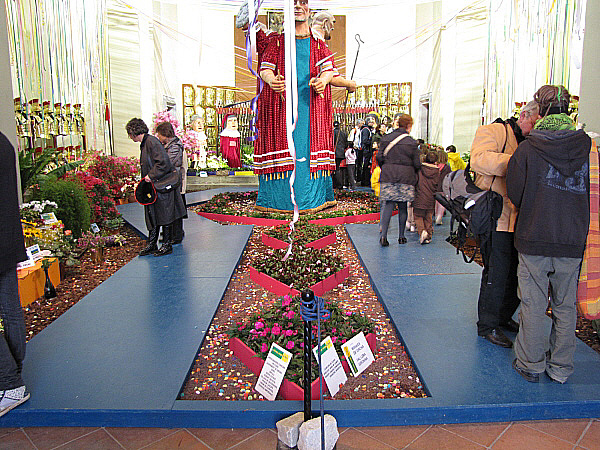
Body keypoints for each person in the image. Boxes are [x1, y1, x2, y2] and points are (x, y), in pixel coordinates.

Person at [507, 85, 591, 383]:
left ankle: (531, 364)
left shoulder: (529, 148)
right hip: (573, 236)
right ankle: (561, 368)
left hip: (534, 234)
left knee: (533, 303)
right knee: (565, 306)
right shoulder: (588, 148)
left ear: (540, 111)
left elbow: (515, 192)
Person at [470, 100, 541, 348]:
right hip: (496, 218)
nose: (536, 129)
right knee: (497, 273)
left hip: (521, 221)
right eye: (535, 123)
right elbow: (478, 160)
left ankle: (502, 317)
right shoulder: (493, 131)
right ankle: (487, 325)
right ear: (524, 116)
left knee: (516, 274)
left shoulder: (532, 141)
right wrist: (519, 162)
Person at [255, 0, 336, 212]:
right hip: (282, 110)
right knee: (287, 150)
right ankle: (282, 200)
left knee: (307, 152)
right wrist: (272, 80)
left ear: (310, 8)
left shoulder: (318, 44)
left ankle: (312, 199)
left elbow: (328, 69)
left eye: (303, 2)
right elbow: (265, 68)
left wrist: (323, 81)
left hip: (311, 110)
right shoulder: (277, 42)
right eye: (293, 3)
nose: (298, 6)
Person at [0, 132, 30, 417]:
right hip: (7, 238)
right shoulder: (4, 142)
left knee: (10, 310)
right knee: (10, 309)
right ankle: (13, 373)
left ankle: (9, 382)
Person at [126, 118, 186, 256]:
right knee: (153, 214)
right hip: (156, 185)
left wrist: (150, 176)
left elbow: (163, 163)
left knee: (164, 215)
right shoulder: (148, 142)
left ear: (133, 133)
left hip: (161, 185)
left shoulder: (151, 142)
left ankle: (166, 245)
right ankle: (152, 244)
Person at [376, 113, 421, 246]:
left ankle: (383, 236)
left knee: (388, 205)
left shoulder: (386, 138)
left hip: (388, 175)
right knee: (402, 206)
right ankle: (401, 236)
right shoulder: (411, 142)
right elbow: (417, 163)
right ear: (409, 126)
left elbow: (379, 157)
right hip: (406, 177)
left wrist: (386, 167)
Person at [155, 121, 187, 244]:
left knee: (176, 209)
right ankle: (172, 233)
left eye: (159, 134)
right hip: (173, 181)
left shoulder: (175, 147)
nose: (158, 137)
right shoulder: (170, 145)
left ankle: (176, 235)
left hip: (175, 182)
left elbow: (168, 163)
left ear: (165, 134)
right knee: (172, 208)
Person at [413, 150, 451, 244]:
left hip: (419, 196)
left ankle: (422, 231)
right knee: (428, 217)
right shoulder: (437, 171)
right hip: (431, 197)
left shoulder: (420, 169)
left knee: (418, 216)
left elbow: (415, 181)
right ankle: (429, 235)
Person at [434, 149, 450, 225]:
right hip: (443, 186)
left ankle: (435, 215)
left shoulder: (434, 166)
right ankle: (439, 216)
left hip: (434, 186)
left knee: (435, 202)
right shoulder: (447, 167)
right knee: (442, 203)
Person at [333, 120, 347, 188]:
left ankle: (337, 184)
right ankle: (340, 184)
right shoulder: (343, 133)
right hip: (341, 153)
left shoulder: (333, 133)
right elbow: (346, 144)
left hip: (335, 152)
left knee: (335, 169)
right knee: (338, 169)